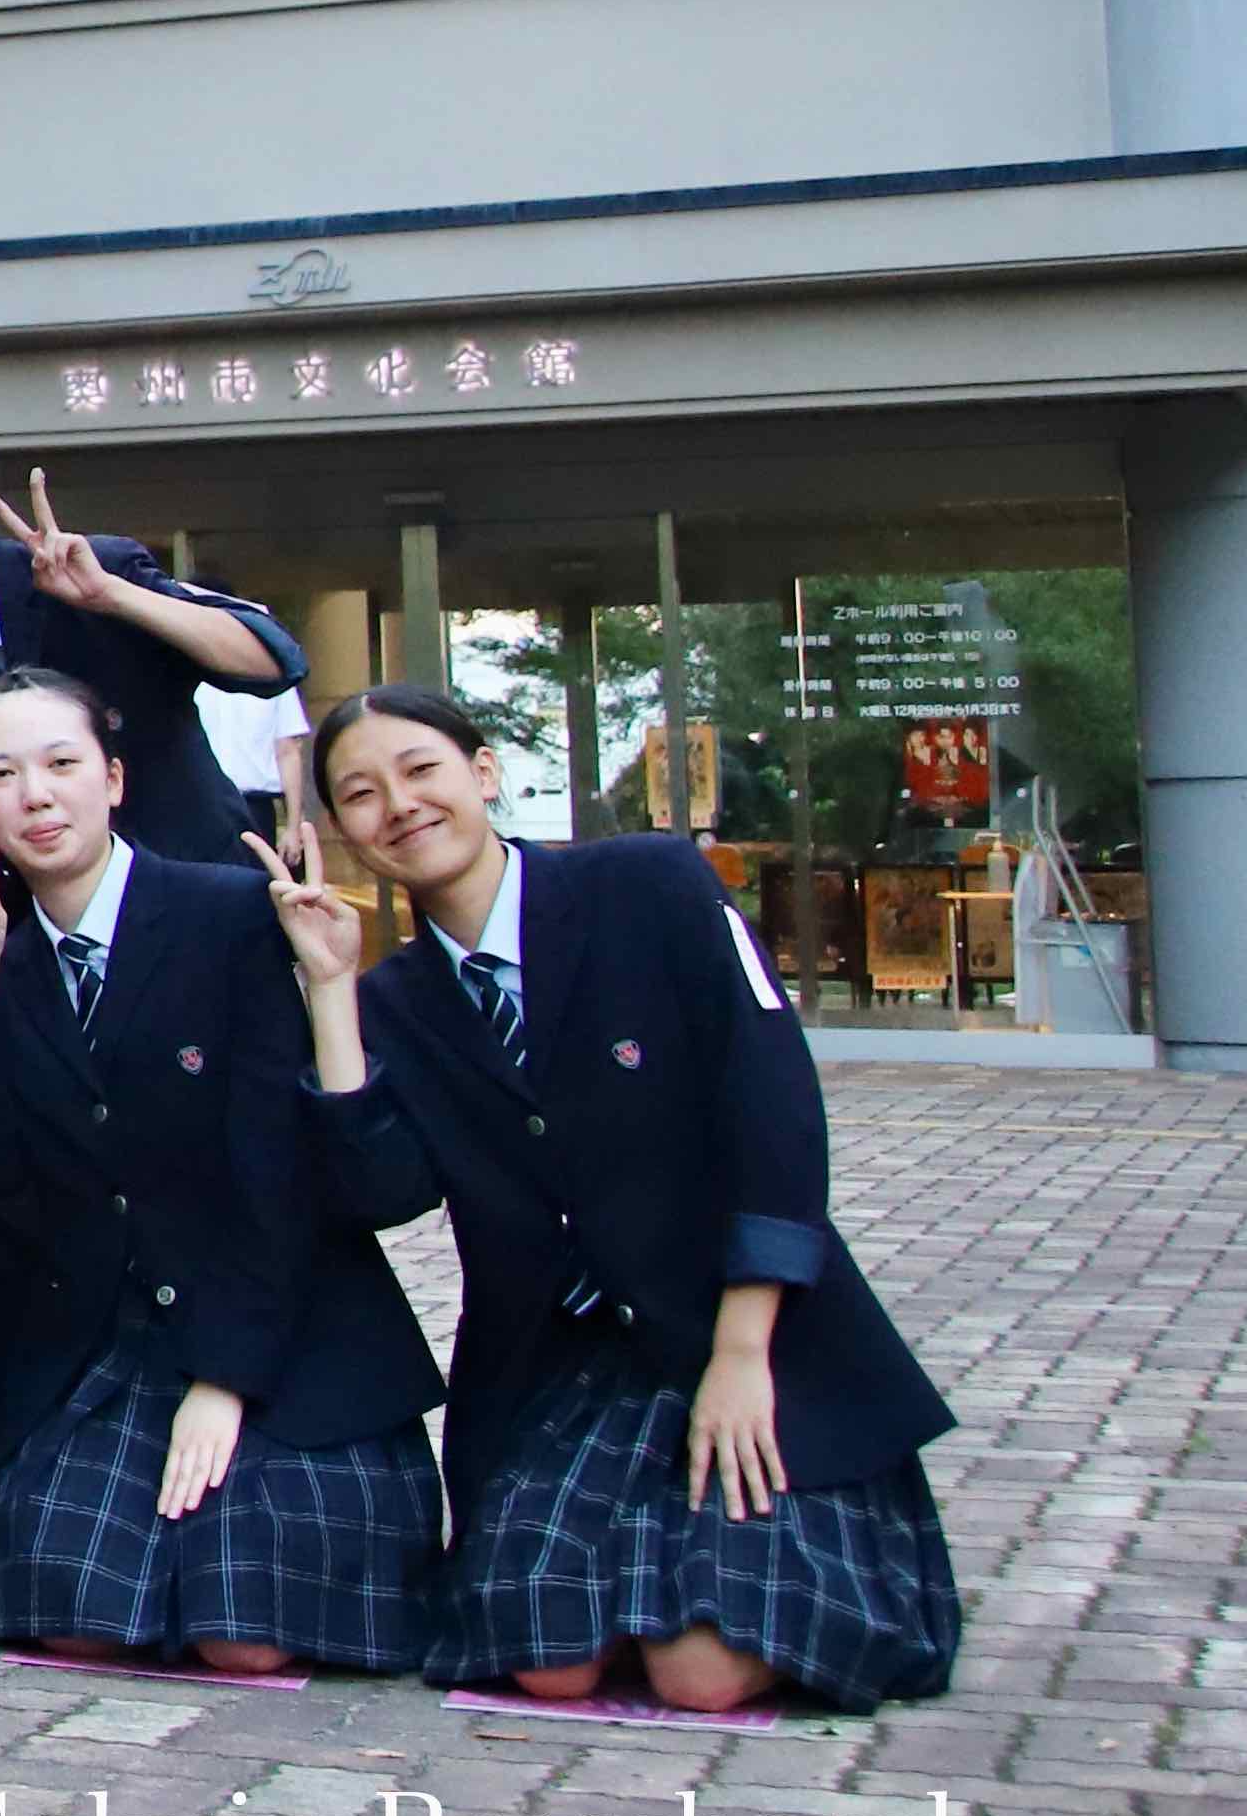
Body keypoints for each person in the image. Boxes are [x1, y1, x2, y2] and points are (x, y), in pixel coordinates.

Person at [293, 684, 961, 1714]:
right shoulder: (397, 999)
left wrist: (743, 1352)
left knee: (703, 1673)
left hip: (737, 1335)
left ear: (482, 773)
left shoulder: (645, 884)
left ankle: (755, 1566)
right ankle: (629, 1573)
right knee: (544, 1662)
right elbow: (381, 1193)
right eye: (360, 793)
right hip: (562, 1376)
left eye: (420, 769)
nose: (398, 804)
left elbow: (772, 1105)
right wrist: (330, 993)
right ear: (342, 833)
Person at [0, 669, 440, 1676]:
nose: (34, 793)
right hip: (107, 1347)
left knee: (245, 1632)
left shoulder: (233, 913)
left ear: (112, 778)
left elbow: (278, 1171)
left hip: (279, 1323)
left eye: (60, 762)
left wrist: (225, 1371)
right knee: (69, 1615)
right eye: (0, 771)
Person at [0, 396, 294, 862]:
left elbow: (272, 662)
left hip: (195, 884)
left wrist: (113, 595)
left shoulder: (90, 572)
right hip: (49, 922)